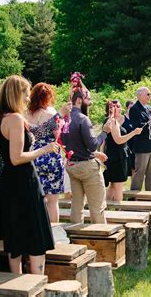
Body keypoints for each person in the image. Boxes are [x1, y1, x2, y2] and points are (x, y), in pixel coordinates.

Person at [0, 75, 58, 274]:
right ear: (16, 94)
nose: (29, 98)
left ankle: (18, 283)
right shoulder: (15, 118)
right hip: (23, 180)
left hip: (10, 181)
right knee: (36, 234)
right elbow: (16, 157)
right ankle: (36, 284)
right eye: (26, 93)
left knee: (15, 234)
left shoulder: (0, 118)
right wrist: (44, 150)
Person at [60, 80, 111, 224]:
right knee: (97, 206)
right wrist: (105, 132)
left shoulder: (65, 119)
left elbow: (72, 144)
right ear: (78, 100)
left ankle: (75, 236)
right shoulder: (83, 119)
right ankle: (101, 237)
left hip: (71, 165)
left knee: (77, 204)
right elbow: (93, 145)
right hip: (87, 167)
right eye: (88, 98)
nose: (91, 101)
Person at [25, 83, 66, 223]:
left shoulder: (25, 114)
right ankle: (53, 233)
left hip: (34, 154)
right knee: (53, 201)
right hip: (51, 156)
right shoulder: (51, 113)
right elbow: (57, 135)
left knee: (37, 198)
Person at [103, 100, 142, 201]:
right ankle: (118, 211)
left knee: (112, 185)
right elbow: (119, 140)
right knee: (118, 187)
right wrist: (134, 132)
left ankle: (107, 209)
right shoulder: (112, 121)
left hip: (114, 155)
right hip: (117, 157)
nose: (119, 108)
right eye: (116, 106)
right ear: (110, 109)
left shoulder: (108, 120)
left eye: (119, 106)